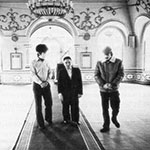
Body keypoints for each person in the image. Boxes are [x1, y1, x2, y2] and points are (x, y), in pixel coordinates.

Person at [94, 46, 124, 132]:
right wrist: (103, 84)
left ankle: (114, 118)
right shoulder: (99, 62)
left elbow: (121, 74)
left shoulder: (118, 62)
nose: (106, 58)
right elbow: (96, 75)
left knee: (116, 107)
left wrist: (113, 84)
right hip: (103, 90)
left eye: (107, 56)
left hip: (114, 89)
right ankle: (106, 126)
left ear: (111, 54)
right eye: (104, 56)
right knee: (105, 108)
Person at [30, 44, 53, 130]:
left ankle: (48, 119)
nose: (46, 54)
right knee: (38, 105)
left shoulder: (47, 62)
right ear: (40, 53)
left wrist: (47, 81)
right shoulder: (33, 62)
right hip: (37, 86)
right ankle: (41, 123)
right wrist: (40, 83)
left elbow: (51, 72)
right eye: (45, 53)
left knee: (49, 103)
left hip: (46, 85)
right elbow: (33, 75)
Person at [57, 56, 83, 126]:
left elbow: (80, 81)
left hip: (74, 92)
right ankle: (66, 119)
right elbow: (59, 83)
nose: (68, 64)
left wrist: (80, 92)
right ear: (64, 63)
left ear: (71, 62)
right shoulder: (61, 71)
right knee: (65, 106)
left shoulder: (77, 70)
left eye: (69, 62)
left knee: (75, 106)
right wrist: (59, 93)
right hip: (65, 93)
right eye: (66, 63)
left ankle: (76, 120)